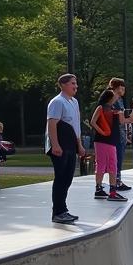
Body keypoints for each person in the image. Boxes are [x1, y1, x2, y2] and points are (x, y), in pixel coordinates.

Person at [45, 74, 87, 224]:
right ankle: (58, 212)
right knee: (61, 177)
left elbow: (75, 126)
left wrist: (79, 145)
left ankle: (63, 209)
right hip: (60, 145)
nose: (75, 86)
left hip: (71, 144)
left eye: (76, 83)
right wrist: (55, 144)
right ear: (62, 85)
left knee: (68, 178)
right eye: (72, 84)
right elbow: (52, 124)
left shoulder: (74, 102)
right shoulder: (57, 102)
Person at [90, 89, 127, 203]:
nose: (117, 96)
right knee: (106, 164)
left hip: (111, 140)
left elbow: (121, 122)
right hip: (103, 140)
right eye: (114, 95)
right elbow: (93, 121)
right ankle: (109, 191)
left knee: (109, 164)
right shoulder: (101, 108)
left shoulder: (114, 110)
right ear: (109, 97)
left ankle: (102, 189)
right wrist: (101, 131)